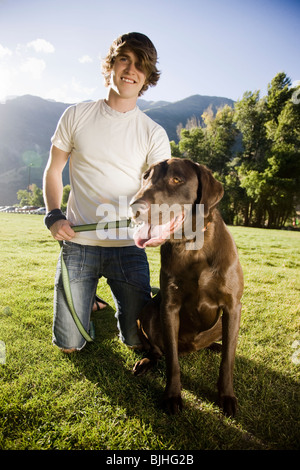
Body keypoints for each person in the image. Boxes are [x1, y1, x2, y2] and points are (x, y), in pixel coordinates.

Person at [43, 32, 171, 353]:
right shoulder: (76, 115)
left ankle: (98, 301)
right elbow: (54, 169)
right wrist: (54, 214)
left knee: (139, 341)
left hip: (127, 247)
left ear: (147, 78)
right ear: (111, 65)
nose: (131, 70)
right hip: (79, 242)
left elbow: (159, 193)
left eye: (140, 65)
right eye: (124, 59)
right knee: (70, 345)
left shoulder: (153, 133)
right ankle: (88, 303)